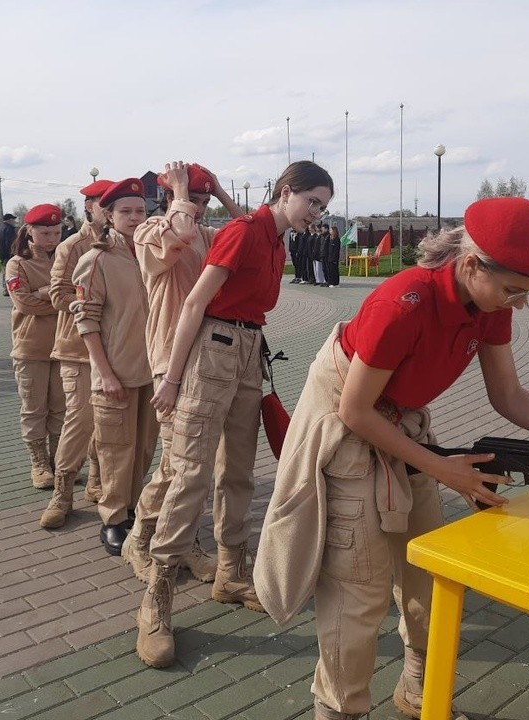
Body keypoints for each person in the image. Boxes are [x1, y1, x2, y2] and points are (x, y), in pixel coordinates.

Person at [254, 197, 529, 720]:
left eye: (527, 293)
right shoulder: (401, 303)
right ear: (470, 265)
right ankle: (338, 710)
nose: (519, 304)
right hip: (349, 431)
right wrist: (442, 469)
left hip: (401, 426)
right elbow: (355, 410)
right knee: (360, 589)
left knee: (429, 569)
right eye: (514, 290)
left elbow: (508, 396)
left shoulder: (487, 304)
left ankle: (418, 685)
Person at [134, 160, 334, 669]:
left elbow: (253, 225)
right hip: (212, 350)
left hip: (248, 351)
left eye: (324, 206)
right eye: (312, 201)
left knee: (240, 471)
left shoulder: (271, 235)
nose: (317, 213)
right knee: (190, 472)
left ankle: (230, 571)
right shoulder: (246, 233)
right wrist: (174, 378)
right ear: (287, 191)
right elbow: (194, 304)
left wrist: (222, 191)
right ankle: (157, 596)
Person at [123, 161, 242, 583]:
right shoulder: (150, 231)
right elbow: (182, 233)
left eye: (204, 199)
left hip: (206, 358)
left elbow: (249, 231)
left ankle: (186, 541)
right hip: (168, 358)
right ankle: (139, 538)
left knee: (196, 463)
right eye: (193, 198)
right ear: (171, 197)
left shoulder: (207, 232)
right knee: (177, 463)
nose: (200, 206)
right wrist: (179, 193)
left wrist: (222, 193)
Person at [70, 179, 158, 553]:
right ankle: (113, 519)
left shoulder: (154, 255)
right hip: (116, 375)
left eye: (140, 210)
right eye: (126, 211)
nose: (135, 218)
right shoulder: (97, 260)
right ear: (108, 215)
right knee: (115, 449)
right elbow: (85, 321)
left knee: (144, 449)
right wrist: (104, 374)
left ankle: (135, 509)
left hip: (153, 373)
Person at [41, 180, 111, 529]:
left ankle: (97, 478)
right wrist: (84, 307)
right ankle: (63, 490)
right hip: (78, 349)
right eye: (104, 203)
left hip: (116, 348)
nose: (110, 210)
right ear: (90, 207)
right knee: (80, 418)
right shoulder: (73, 245)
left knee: (109, 419)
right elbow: (58, 293)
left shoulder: (125, 244)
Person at [5, 205, 65, 490]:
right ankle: (39, 463)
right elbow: (24, 303)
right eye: (45, 233)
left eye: (56, 232)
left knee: (61, 408)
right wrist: (53, 295)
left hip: (64, 345)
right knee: (34, 408)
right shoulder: (18, 264)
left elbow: (78, 294)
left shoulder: (67, 258)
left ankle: (59, 461)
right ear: (29, 231)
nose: (52, 238)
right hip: (31, 348)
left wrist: (42, 294)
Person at [0, 213, 18, 296]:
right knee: (10, 271)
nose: (14, 221)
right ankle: (8, 288)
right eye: (13, 219)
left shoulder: (0, 228)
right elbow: (10, 243)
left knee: (4, 271)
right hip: (9, 254)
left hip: (2, 253)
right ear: (9, 220)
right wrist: (14, 252)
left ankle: (5, 287)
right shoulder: (9, 229)